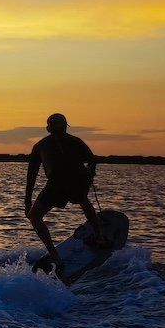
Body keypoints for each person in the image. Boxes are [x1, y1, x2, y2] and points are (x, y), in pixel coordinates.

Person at [24, 113, 103, 275]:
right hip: (79, 179)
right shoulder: (76, 141)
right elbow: (92, 160)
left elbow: (31, 175)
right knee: (83, 200)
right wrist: (90, 174)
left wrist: (28, 201)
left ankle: (54, 255)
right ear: (65, 127)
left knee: (34, 216)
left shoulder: (39, 146)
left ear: (48, 129)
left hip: (58, 182)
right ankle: (99, 237)